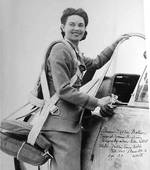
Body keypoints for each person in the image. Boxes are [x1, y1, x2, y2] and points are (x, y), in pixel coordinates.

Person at [41, 8, 129, 170]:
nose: (77, 28)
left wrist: (115, 43)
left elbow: (96, 62)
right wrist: (97, 102)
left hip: (65, 123)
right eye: (72, 24)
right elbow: (64, 90)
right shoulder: (60, 50)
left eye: (81, 25)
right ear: (62, 27)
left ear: (85, 29)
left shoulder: (74, 53)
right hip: (62, 125)